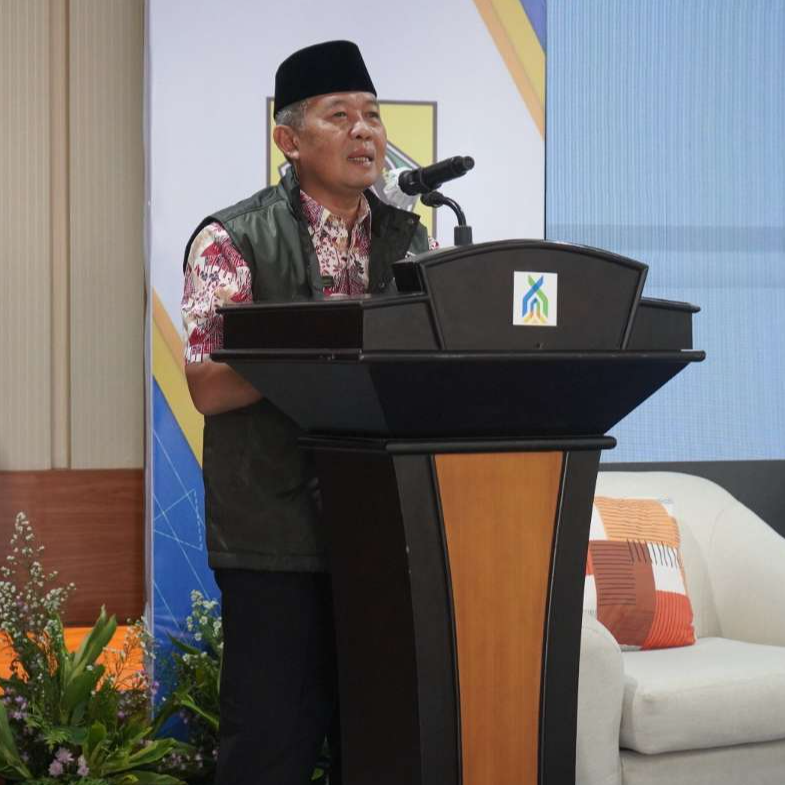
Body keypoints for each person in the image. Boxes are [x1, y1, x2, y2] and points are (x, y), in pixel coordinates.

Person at [181, 40, 432, 785]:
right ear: (288, 140)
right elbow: (207, 383)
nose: (364, 131)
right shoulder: (233, 238)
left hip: (384, 527)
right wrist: (329, 347)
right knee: (270, 748)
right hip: (273, 534)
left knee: (382, 745)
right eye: (339, 115)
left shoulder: (409, 238)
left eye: (372, 116)